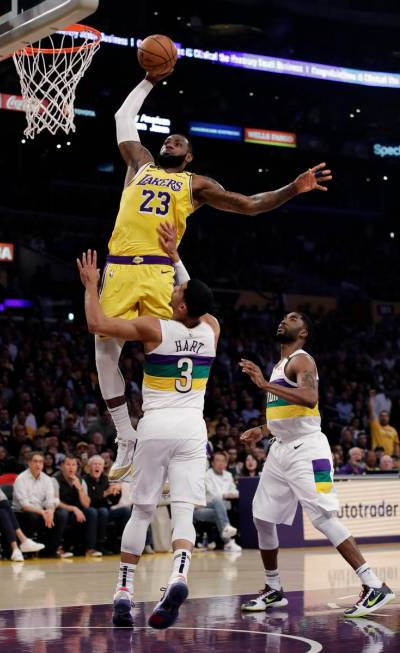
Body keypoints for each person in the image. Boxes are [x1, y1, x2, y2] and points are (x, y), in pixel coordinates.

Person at [98, 70, 333, 483]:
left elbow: (250, 204)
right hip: (118, 266)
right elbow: (123, 114)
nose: (170, 142)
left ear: (188, 157)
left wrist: (292, 189)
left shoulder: (196, 184)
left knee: (171, 349)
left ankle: (168, 438)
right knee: (104, 347)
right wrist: (150, 80)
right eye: (167, 139)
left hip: (157, 269)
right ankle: (124, 436)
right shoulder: (139, 163)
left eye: (179, 142)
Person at [77, 245, 218, 629]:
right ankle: (178, 577)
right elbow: (195, 295)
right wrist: (174, 257)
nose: (172, 290)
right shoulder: (212, 330)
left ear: (184, 306)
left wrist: (92, 286)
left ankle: (123, 592)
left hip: (156, 426)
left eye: (177, 291)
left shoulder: (154, 327)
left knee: (141, 510)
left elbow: (96, 325)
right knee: (184, 510)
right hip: (192, 427)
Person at [238, 312, 395, 617]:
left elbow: (310, 398)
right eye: (283, 316)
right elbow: (287, 410)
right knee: (262, 516)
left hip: (310, 451)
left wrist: (263, 385)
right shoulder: (279, 366)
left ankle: (374, 585)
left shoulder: (302, 360)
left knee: (323, 517)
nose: (284, 319)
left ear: (304, 332)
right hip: (280, 450)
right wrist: (263, 429)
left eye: (293, 317)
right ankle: (273, 589)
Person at [13, 451, 71, 558]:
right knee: (32, 516)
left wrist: (51, 511)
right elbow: (24, 505)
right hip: (23, 513)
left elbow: (50, 500)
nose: (38, 464)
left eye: (40, 462)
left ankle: (50, 550)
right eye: (35, 461)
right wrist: (43, 512)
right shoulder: (20, 479)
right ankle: (27, 550)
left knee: (62, 514)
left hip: (42, 511)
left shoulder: (47, 479)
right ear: (29, 463)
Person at [52, 455, 102, 557]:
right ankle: (58, 548)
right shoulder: (54, 479)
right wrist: (74, 508)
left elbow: (86, 504)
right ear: (62, 466)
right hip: (59, 511)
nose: (71, 467)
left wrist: (79, 488)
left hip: (76, 513)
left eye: (73, 465)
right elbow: (55, 502)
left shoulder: (80, 480)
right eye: (68, 464)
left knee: (91, 511)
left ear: (77, 467)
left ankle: (90, 549)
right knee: (63, 513)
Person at [83, 455, 130, 552]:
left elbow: (114, 502)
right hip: (89, 511)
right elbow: (90, 500)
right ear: (89, 467)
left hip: (106, 511)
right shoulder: (85, 480)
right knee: (101, 511)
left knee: (126, 510)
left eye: (99, 464)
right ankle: (99, 545)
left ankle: (126, 545)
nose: (97, 466)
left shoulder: (106, 479)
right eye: (94, 464)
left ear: (103, 467)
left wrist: (116, 491)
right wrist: (106, 493)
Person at [201, 452, 240, 552]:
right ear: (212, 463)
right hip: (207, 505)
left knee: (218, 512)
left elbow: (235, 491)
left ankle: (228, 542)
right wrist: (225, 495)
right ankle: (227, 534)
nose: (220, 463)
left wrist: (227, 494)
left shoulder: (229, 475)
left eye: (223, 461)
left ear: (226, 463)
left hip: (221, 508)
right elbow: (212, 494)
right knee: (218, 501)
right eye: (218, 460)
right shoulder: (206, 475)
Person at [368, 390, 399, 457]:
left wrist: (397, 458)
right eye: (381, 416)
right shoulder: (375, 426)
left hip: (389, 458)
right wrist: (371, 398)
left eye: (385, 416)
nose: (383, 418)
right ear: (379, 418)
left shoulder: (393, 430)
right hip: (377, 457)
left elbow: (396, 445)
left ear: (388, 418)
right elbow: (371, 411)